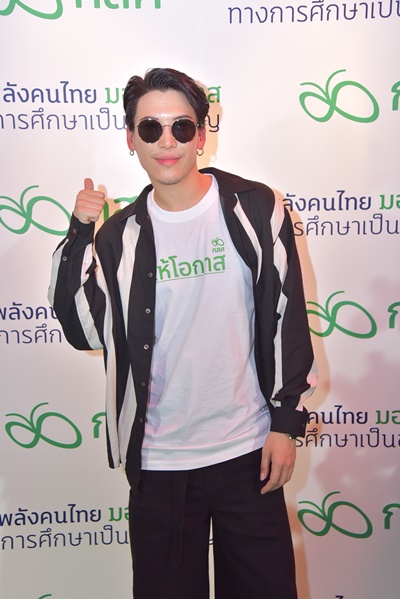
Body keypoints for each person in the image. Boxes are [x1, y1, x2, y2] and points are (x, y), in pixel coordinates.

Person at [48, 67, 316, 599]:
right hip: (159, 463)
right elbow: (83, 329)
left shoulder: (254, 207)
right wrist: (80, 234)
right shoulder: (118, 236)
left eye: (181, 127)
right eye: (150, 128)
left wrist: (286, 424)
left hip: (249, 452)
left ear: (201, 133)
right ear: (131, 139)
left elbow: (287, 317)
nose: (166, 141)